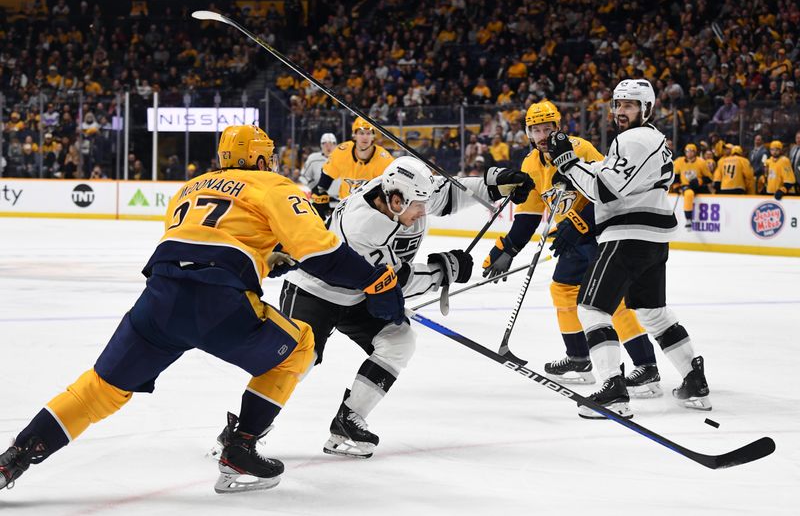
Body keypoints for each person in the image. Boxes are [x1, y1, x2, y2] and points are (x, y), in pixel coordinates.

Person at [0, 125, 405, 494]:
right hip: (220, 304)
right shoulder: (272, 184)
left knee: (99, 388)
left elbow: (204, 238)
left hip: (159, 301)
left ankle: (15, 457)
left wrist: (264, 257)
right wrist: (378, 281)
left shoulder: (189, 187)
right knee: (301, 346)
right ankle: (241, 446)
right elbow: (324, 253)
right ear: (262, 158)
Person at [276, 156, 532, 458]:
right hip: (315, 289)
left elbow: (449, 194)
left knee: (398, 341)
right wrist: (442, 271)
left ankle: (348, 419)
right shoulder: (362, 226)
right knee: (296, 361)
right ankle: (242, 433)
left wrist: (494, 185)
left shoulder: (407, 191)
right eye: (417, 206)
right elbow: (389, 282)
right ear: (395, 201)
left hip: (358, 297)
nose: (425, 211)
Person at [546, 79, 711, 418]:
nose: (620, 111)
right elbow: (614, 176)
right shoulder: (653, 140)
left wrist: (567, 162)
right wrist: (579, 168)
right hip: (652, 239)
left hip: (626, 235)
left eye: (630, 105)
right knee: (653, 312)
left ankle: (612, 391)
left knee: (592, 308)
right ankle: (694, 380)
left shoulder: (633, 139)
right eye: (618, 104)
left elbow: (605, 190)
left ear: (646, 109)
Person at [482, 100, 663, 398]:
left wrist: (579, 222)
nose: (542, 135)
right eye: (535, 129)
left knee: (611, 299)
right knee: (562, 289)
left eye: (547, 128)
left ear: (558, 127)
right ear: (528, 132)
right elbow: (528, 217)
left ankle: (646, 365)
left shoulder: (581, 149)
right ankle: (579, 358)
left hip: (599, 231)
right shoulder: (530, 163)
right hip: (571, 239)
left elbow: (610, 192)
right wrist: (507, 249)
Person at [311, 117, 394, 218]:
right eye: (361, 133)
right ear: (354, 135)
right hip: (344, 206)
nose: (365, 137)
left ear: (373, 136)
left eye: (369, 133)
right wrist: (320, 193)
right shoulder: (341, 152)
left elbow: (391, 188)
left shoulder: (384, 159)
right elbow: (326, 178)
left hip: (370, 210)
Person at [671, 143, 713, 230]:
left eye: (691, 151)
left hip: (698, 186)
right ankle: (688, 219)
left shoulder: (701, 162)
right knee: (689, 194)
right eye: (687, 151)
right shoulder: (679, 161)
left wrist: (700, 181)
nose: (689, 153)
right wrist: (676, 187)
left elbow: (709, 178)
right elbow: (676, 176)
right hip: (685, 186)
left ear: (695, 152)